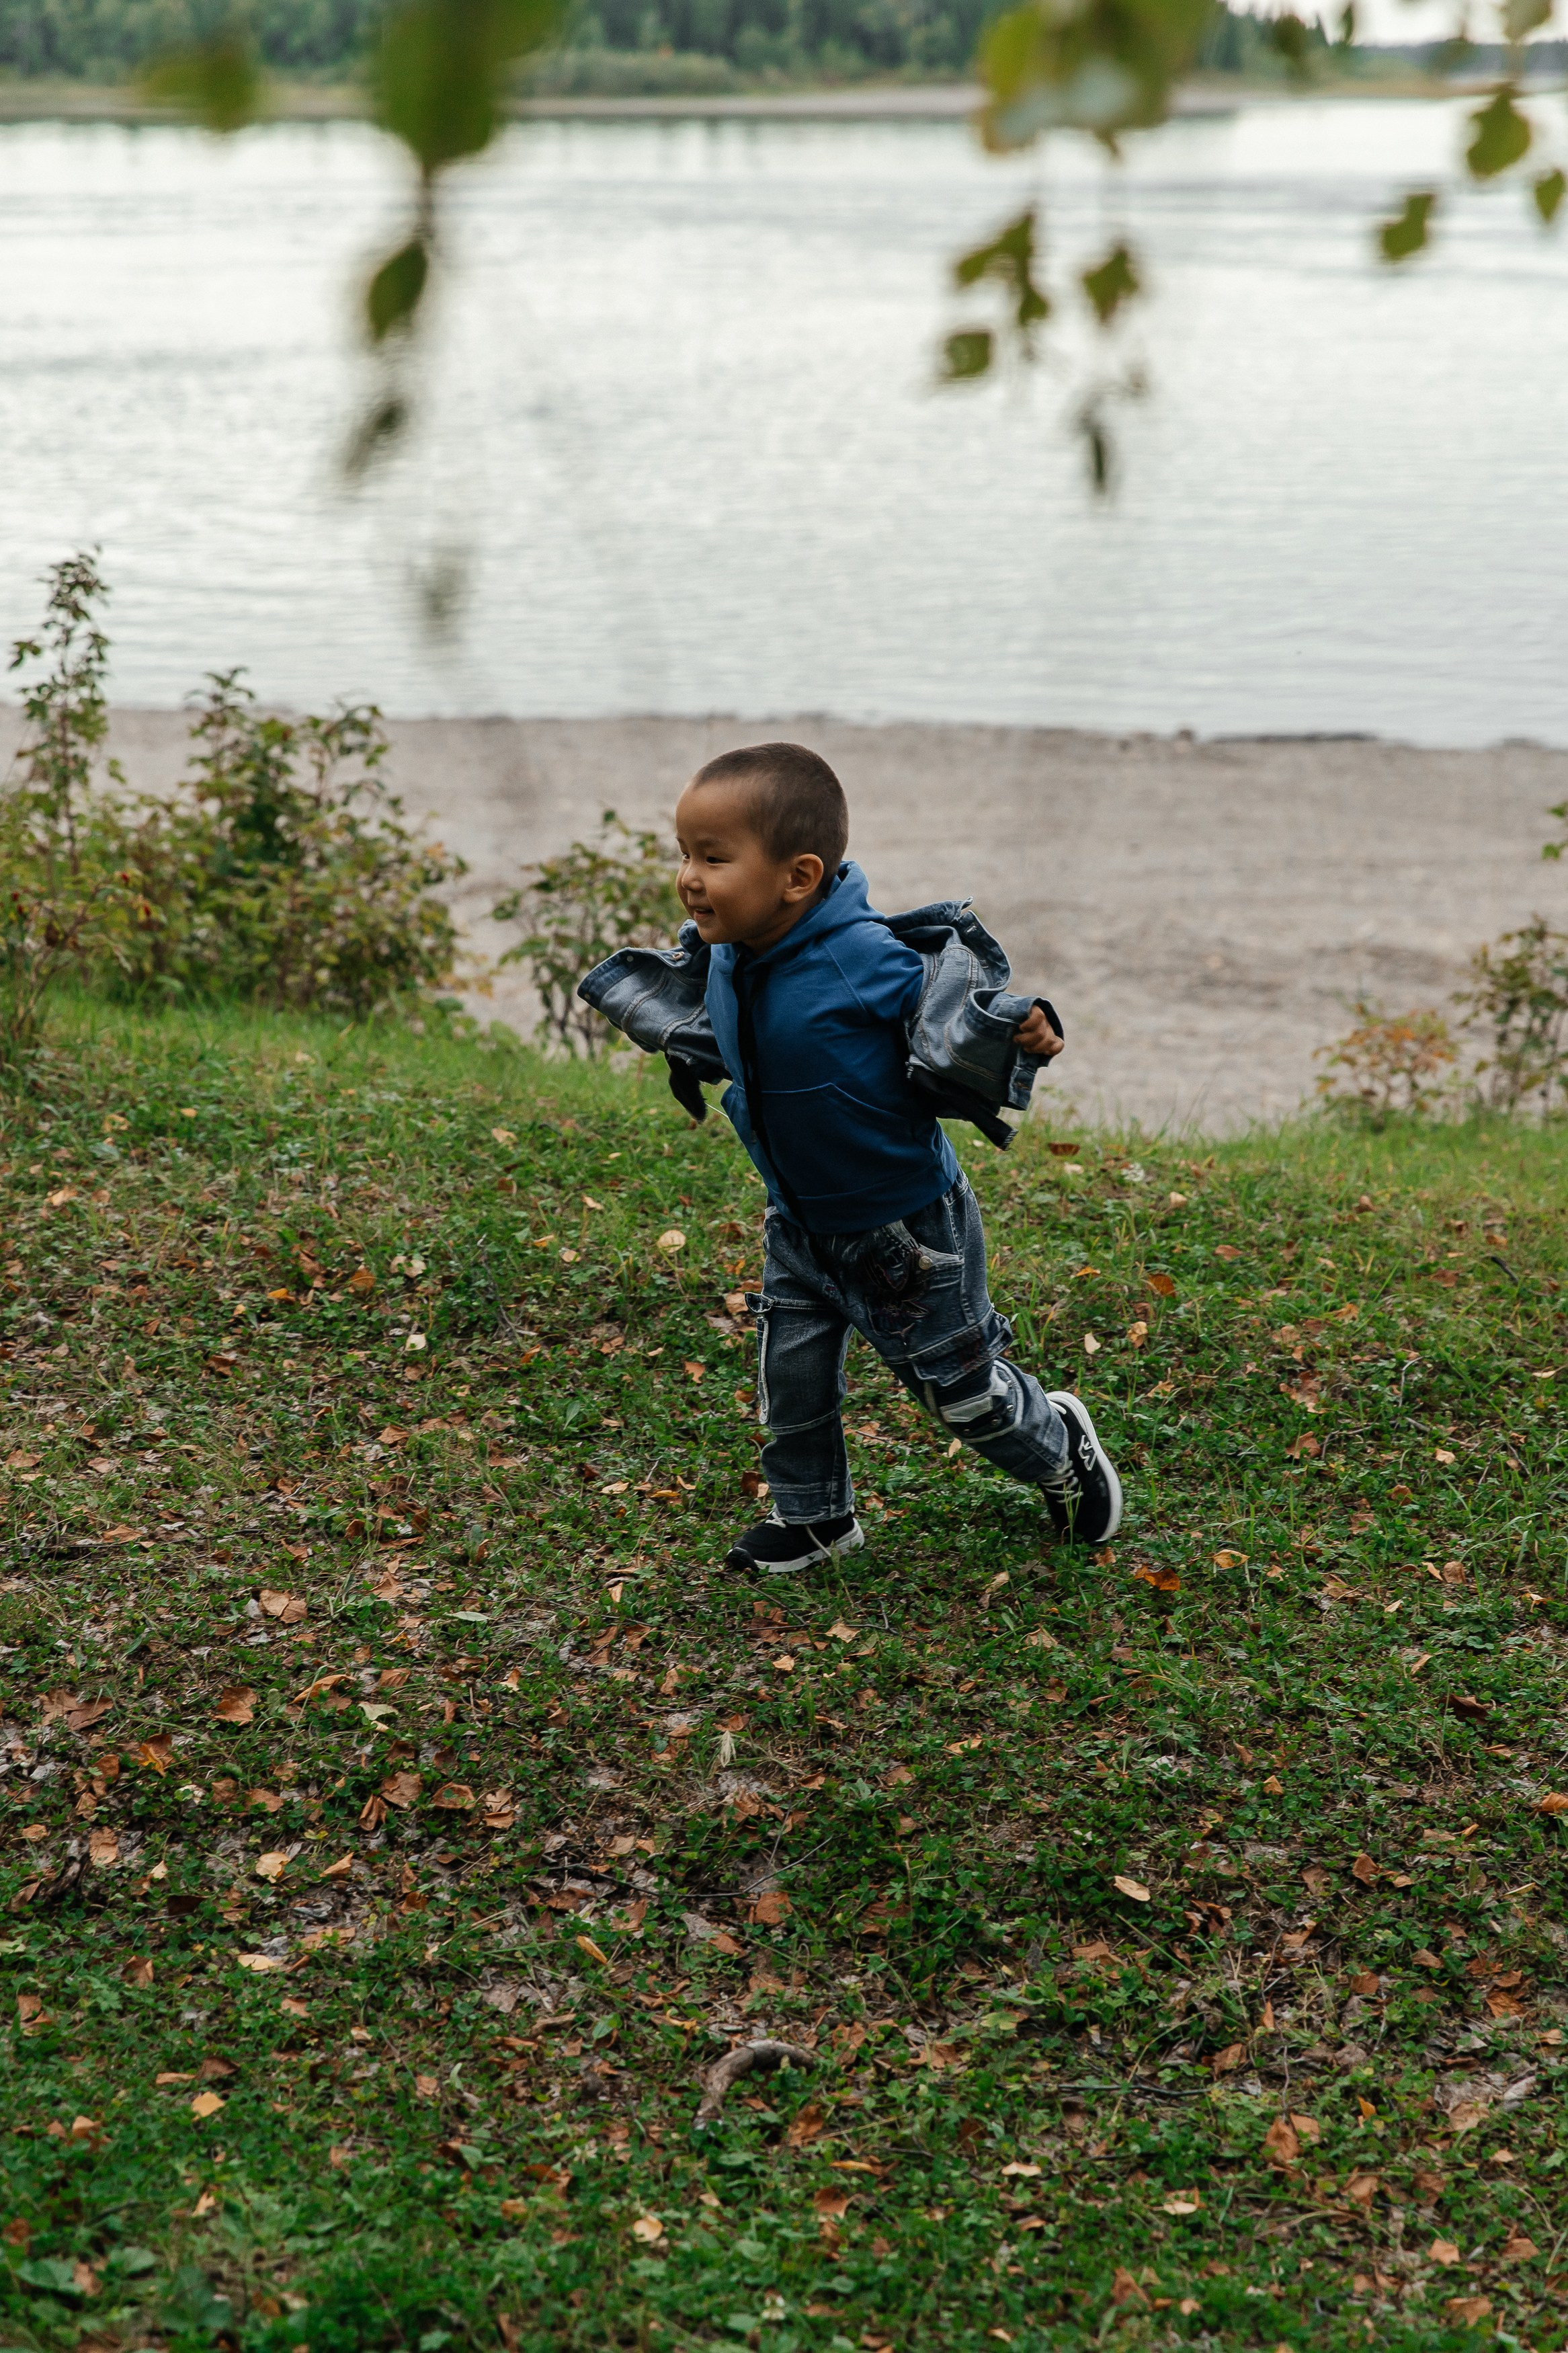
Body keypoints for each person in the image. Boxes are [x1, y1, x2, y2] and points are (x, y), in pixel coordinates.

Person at [669, 741, 1122, 1573]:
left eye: (713, 858)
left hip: (905, 1228)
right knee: (792, 1382)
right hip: (799, 1221)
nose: (689, 876)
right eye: (685, 854)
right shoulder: (729, 951)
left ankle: (1059, 1443)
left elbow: (958, 1008)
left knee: (962, 1394)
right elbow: (698, 1011)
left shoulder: (862, 959)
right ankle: (814, 1519)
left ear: (797, 877)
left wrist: (1022, 1024)